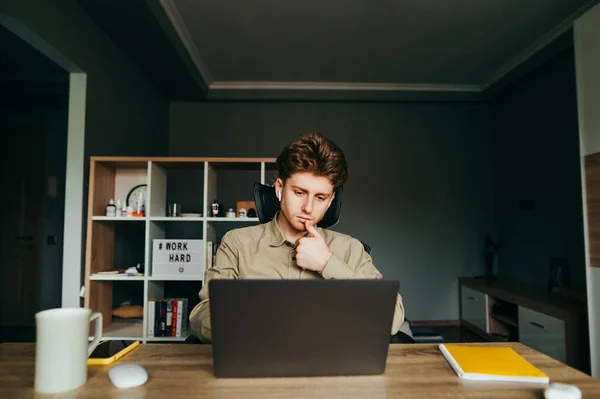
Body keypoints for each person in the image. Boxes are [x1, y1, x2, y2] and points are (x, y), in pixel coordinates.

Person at [189, 132, 405, 342]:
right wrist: (255, 330)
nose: (308, 208)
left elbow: (391, 318)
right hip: (258, 361)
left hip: (332, 365)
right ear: (280, 189)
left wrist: (328, 264)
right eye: (299, 193)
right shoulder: (237, 243)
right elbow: (202, 314)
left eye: (320, 197)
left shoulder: (351, 249)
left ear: (330, 201)